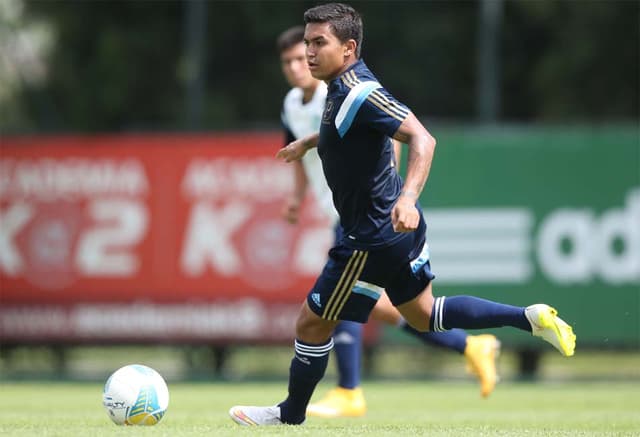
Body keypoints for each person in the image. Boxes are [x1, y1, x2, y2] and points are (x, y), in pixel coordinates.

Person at [230, 3, 575, 426]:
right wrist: (308, 143)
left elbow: (422, 139)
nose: (309, 53)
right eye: (307, 43)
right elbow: (347, 130)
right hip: (391, 233)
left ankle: (290, 414)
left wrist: (408, 198)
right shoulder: (338, 89)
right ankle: (527, 318)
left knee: (311, 322)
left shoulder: (359, 90)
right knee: (424, 315)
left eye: (319, 43)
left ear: (349, 48)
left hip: (370, 236)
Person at [274, 25, 501, 418]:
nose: (299, 64)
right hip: (340, 213)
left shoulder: (343, 89)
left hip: (365, 219)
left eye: (306, 52)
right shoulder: (293, 104)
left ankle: (348, 391)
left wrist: (394, 196)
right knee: (386, 307)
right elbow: (299, 146)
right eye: (291, 59)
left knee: (337, 304)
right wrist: (296, 197)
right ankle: (467, 345)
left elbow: (393, 134)